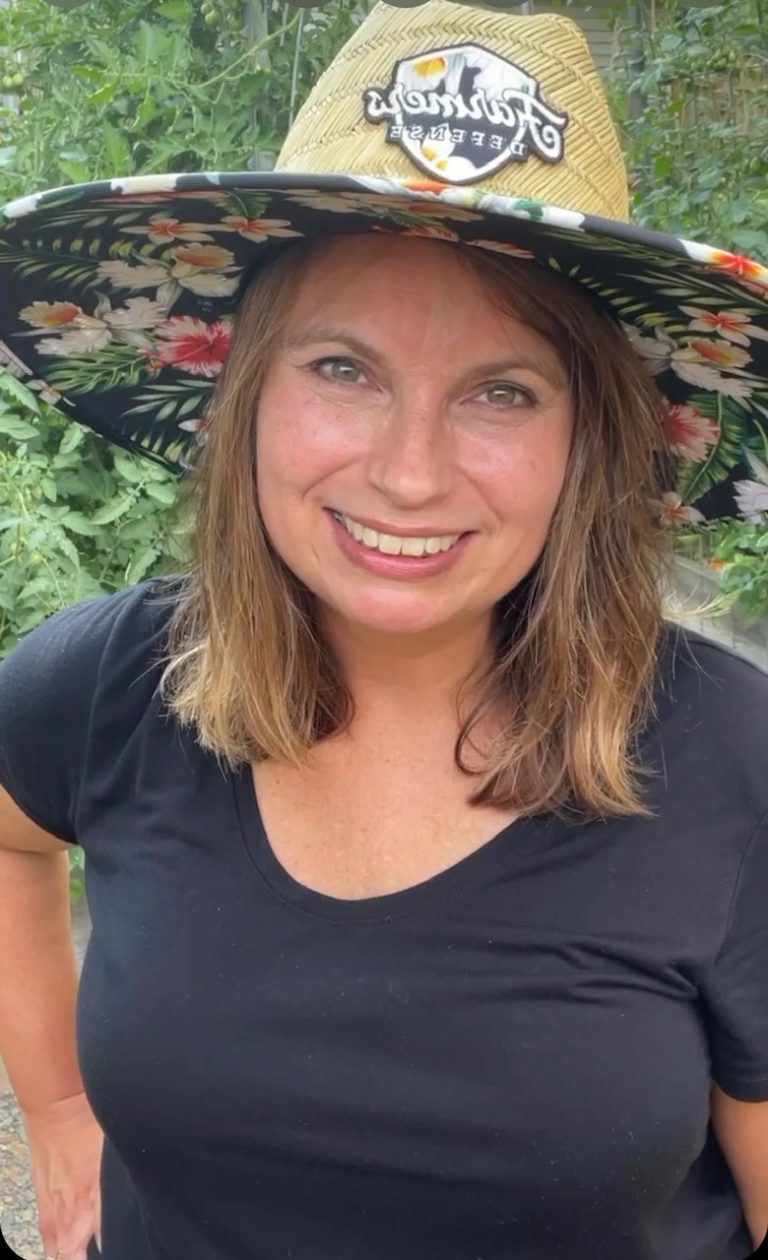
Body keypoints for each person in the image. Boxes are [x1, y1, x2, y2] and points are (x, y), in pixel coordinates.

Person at [0, 1, 767, 1258]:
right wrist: (59, 1108)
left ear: (591, 443)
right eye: (343, 368)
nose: (410, 475)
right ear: (242, 389)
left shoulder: (735, 756)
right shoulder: (107, 686)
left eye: (503, 392)